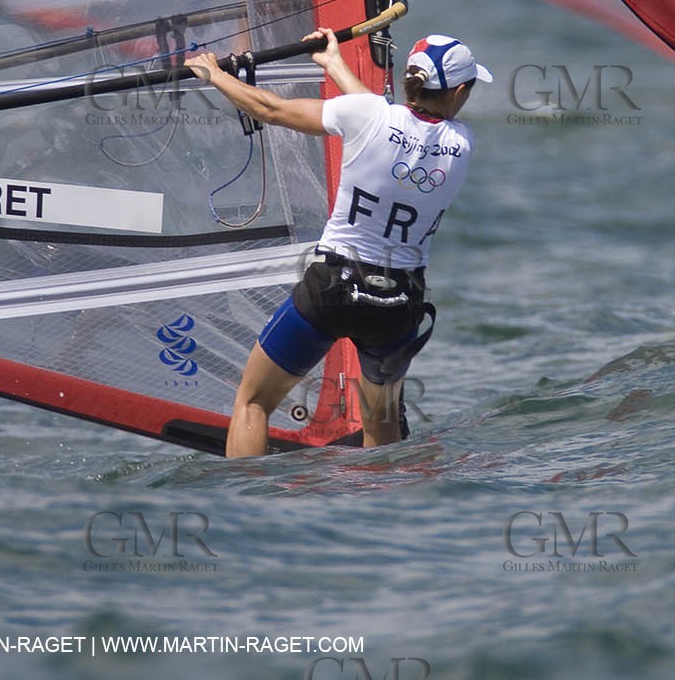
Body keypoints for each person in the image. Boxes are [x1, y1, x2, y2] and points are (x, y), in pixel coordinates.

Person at [187, 29, 488, 454]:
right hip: (398, 304)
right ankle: (381, 511)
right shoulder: (463, 143)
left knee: (253, 403)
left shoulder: (368, 116)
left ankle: (247, 506)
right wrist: (334, 64)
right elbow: (384, 124)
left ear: (408, 81)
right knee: (382, 431)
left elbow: (271, 109)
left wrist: (214, 74)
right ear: (458, 92)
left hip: (331, 288)